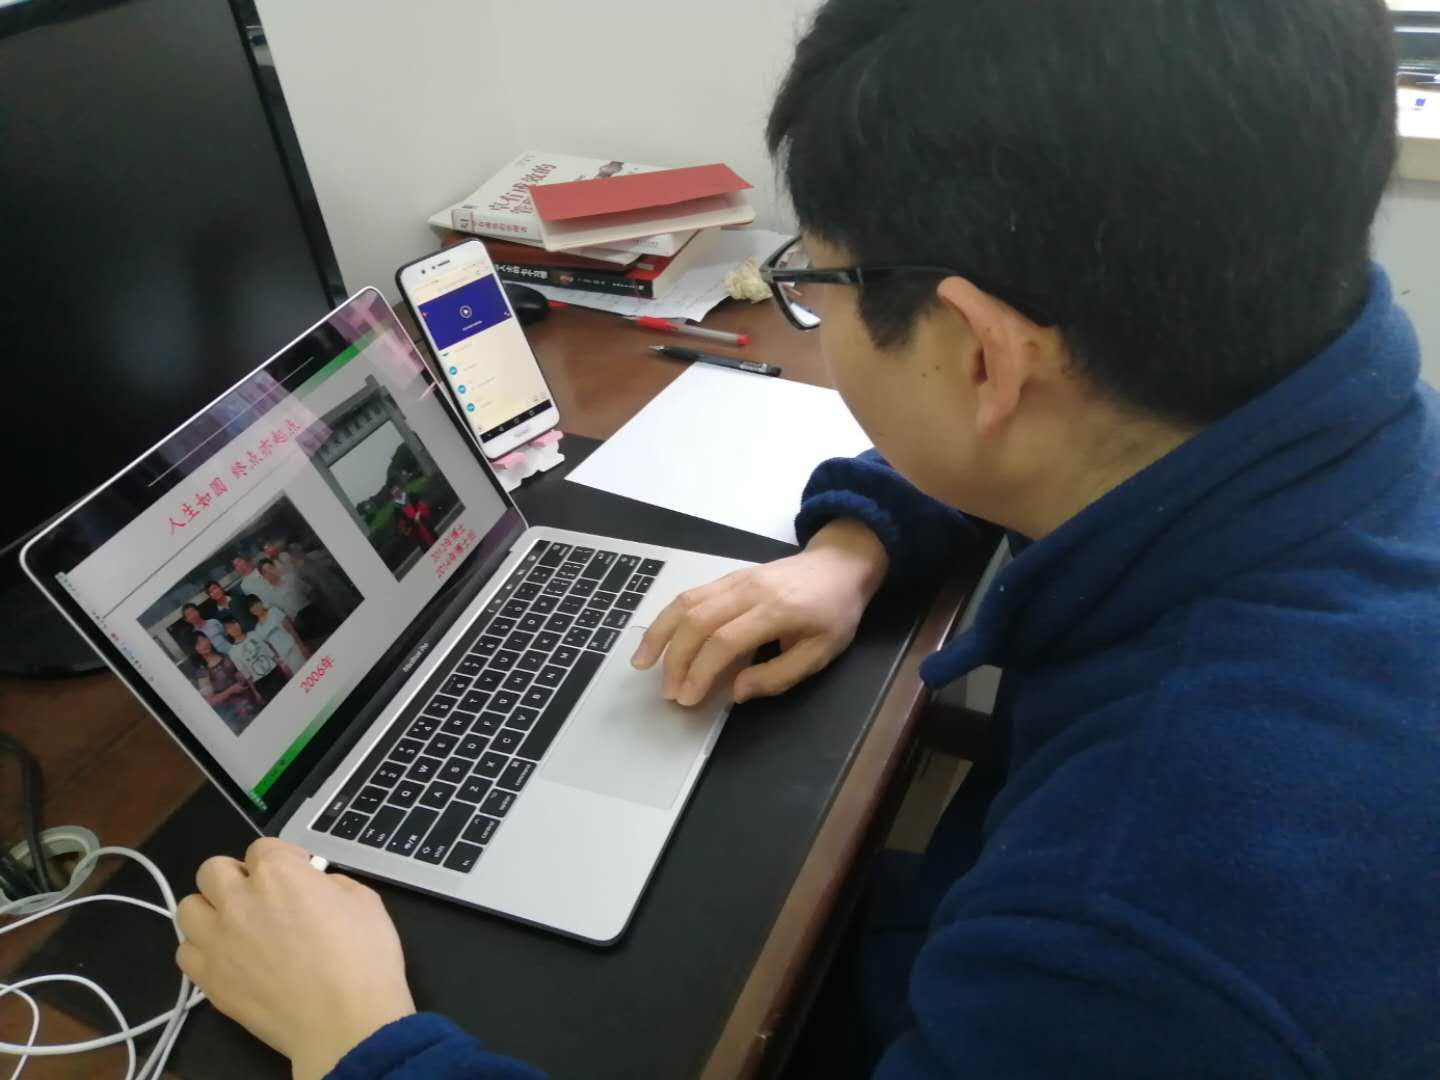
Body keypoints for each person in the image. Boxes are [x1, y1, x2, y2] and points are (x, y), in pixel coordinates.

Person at [172, 2, 1440, 1078]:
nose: (813, 315)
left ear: (982, 353)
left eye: (816, 286)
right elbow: (1067, 421)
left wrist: (363, 1041)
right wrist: (851, 552)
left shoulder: (1138, 936)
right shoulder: (1322, 403)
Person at [190, 634, 257, 736]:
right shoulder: (202, 672)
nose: (203, 644)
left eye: (203, 639)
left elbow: (241, 671)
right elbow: (211, 701)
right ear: (195, 650)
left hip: (253, 699)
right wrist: (231, 690)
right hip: (238, 714)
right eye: (198, 643)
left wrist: (240, 675)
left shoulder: (224, 655)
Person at [221, 616, 290, 704]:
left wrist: (283, 666)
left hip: (275, 671)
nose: (234, 627)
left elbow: (269, 652)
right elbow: (247, 674)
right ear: (227, 632)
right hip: (261, 683)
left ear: (238, 623)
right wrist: (255, 692)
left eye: (234, 623)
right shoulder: (233, 652)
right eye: (229, 627)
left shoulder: (253, 634)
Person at [244, 593, 310, 674]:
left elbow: (291, 630)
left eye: (255, 603)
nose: (255, 607)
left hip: (295, 649)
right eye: (251, 607)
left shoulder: (274, 611)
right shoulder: (258, 629)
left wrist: (301, 646)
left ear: (260, 602)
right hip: (285, 658)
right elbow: (270, 647)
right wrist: (281, 663)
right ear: (250, 611)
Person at [389, 483, 435, 552]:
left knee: (434, 537)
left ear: (399, 487)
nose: (396, 491)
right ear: (391, 493)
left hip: (423, 521)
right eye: (393, 490)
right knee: (426, 547)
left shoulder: (410, 495)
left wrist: (418, 514)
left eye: (396, 488)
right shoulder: (396, 509)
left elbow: (421, 503)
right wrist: (411, 522)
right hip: (415, 530)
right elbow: (401, 524)